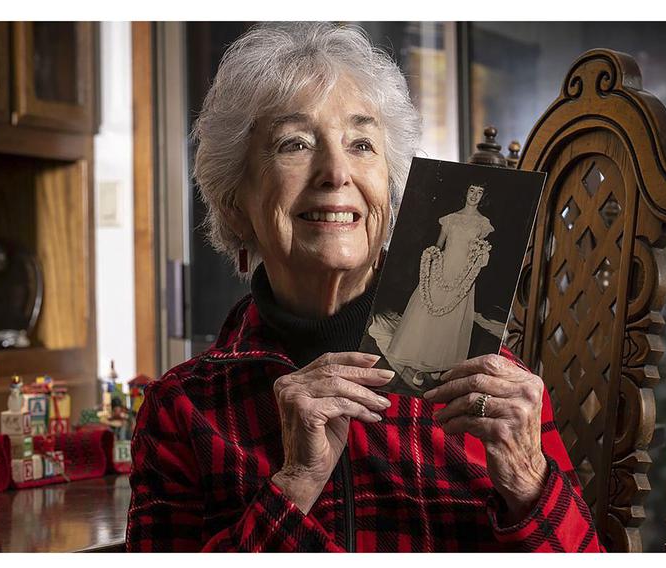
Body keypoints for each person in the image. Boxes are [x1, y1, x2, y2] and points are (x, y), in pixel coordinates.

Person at [126, 22, 602, 553]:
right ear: (236, 204)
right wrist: (295, 483)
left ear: (392, 192)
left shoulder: (487, 386)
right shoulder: (184, 408)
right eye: (295, 143)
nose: (335, 172)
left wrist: (526, 477)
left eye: (361, 143)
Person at [385, 184, 494, 382]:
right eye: (471, 190)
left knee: (451, 320)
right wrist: (432, 255)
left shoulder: (483, 223)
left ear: (483, 197)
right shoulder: (450, 218)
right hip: (442, 270)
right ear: (466, 192)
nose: (474, 195)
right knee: (428, 314)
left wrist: (480, 255)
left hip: (463, 276)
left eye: (479, 192)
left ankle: (439, 363)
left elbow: (479, 253)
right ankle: (420, 362)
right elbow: (439, 244)